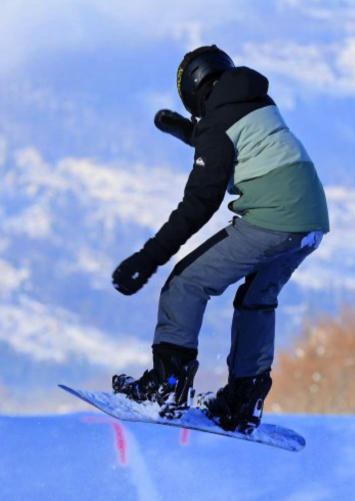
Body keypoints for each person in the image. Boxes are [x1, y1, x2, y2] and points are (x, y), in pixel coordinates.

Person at [110, 45, 330, 433]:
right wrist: (183, 130)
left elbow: (200, 202)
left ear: (192, 88)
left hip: (273, 219)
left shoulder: (216, 125)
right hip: (310, 221)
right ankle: (244, 400)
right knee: (256, 301)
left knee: (186, 283)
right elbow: (227, 137)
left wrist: (148, 258)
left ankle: (167, 387)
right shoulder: (257, 100)